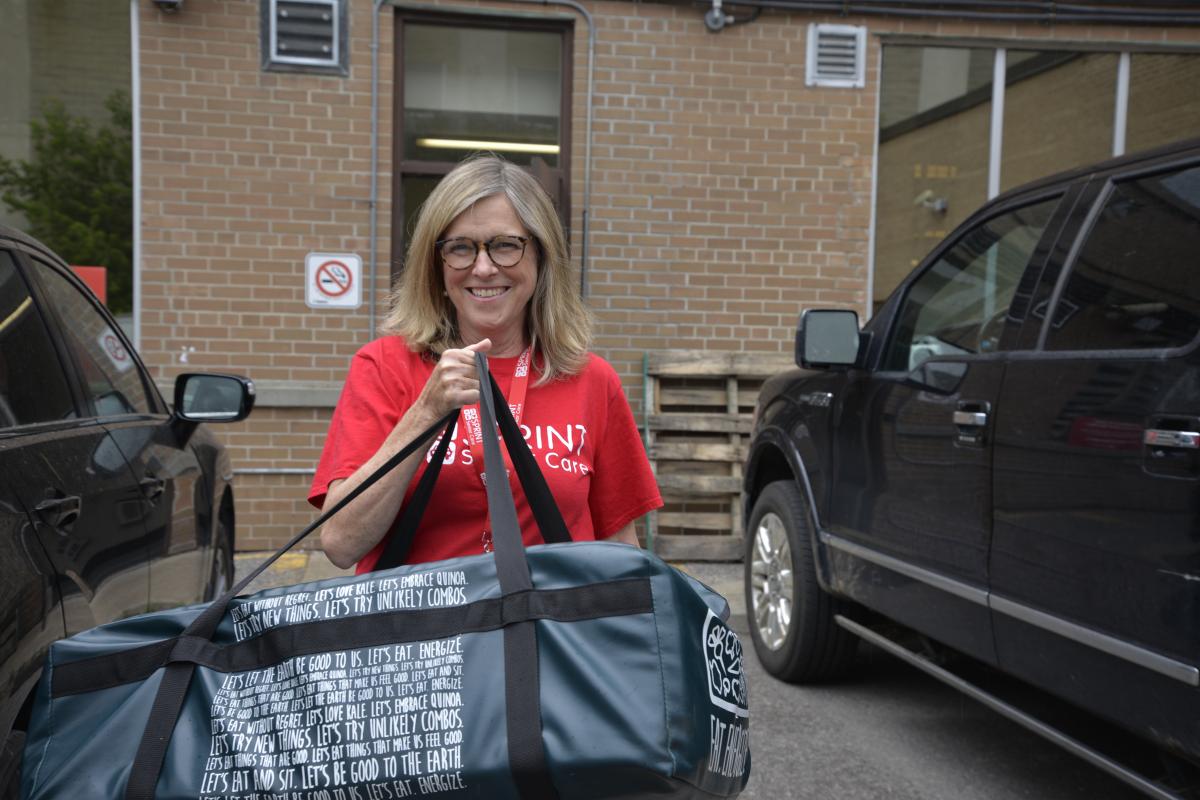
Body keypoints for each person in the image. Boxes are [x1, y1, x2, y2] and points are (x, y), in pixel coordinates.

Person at [310, 154, 662, 572]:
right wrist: (426, 414)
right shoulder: (385, 367)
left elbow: (620, 546)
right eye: (460, 248)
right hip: (423, 631)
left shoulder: (591, 380)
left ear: (541, 257)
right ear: (436, 265)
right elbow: (340, 543)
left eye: (505, 245)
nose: (483, 267)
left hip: (550, 632)